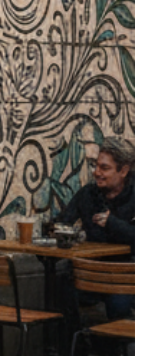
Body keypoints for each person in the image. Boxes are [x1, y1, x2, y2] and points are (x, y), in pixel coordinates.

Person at [57, 138, 134, 335]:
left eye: (104, 168)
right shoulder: (88, 194)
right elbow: (63, 222)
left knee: (119, 305)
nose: (96, 172)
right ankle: (75, 355)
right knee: (61, 286)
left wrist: (113, 224)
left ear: (123, 171)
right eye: (95, 166)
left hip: (126, 279)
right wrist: (59, 233)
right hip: (90, 276)